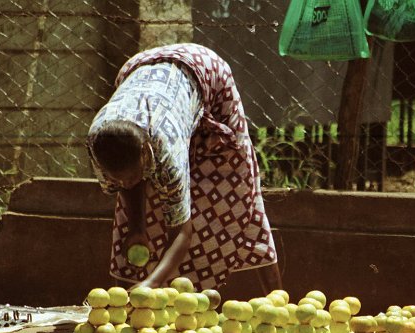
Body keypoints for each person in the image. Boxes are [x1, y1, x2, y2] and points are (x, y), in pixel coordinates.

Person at [87, 43, 282, 294]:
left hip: (206, 73)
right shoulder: (98, 140)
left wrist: (151, 284)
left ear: (147, 154)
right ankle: (120, 311)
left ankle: (279, 303)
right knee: (130, 215)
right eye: (118, 179)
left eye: (134, 176)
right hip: (139, 70)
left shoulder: (165, 144)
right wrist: (137, 228)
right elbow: (126, 183)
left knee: (238, 194)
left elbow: (182, 232)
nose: (125, 183)